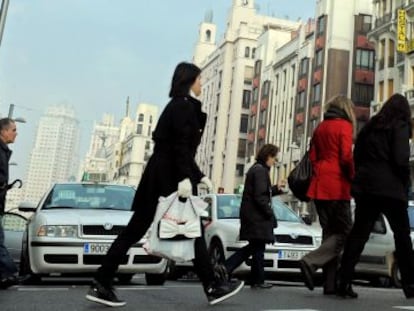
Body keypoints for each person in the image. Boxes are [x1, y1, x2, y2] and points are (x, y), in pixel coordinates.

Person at [86, 62, 244, 307]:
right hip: (167, 178)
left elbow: (178, 148)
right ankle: (212, 285)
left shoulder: (180, 105)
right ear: (190, 81)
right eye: (199, 79)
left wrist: (198, 175)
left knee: (171, 230)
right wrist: (185, 178)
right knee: (187, 230)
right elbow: (179, 147)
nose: (202, 84)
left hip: (162, 176)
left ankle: (102, 281)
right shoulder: (181, 107)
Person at [337, 93, 414, 299]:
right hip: (391, 190)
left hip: (367, 188)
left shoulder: (370, 127)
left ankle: (343, 280)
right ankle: (410, 283)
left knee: (359, 234)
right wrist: (405, 182)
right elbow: (401, 159)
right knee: (402, 236)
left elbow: (357, 156)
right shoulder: (400, 125)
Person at [298, 95, 355, 295]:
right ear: (347, 110)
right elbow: (347, 157)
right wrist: (353, 178)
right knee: (346, 232)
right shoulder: (345, 127)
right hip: (337, 186)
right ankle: (310, 261)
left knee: (329, 233)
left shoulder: (320, 127)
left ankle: (329, 285)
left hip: (319, 186)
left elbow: (312, 157)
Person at [218, 144, 285, 289]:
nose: (275, 161)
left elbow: (261, 192)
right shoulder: (260, 171)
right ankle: (227, 267)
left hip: (253, 217)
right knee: (256, 247)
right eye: (274, 157)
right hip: (257, 218)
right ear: (268, 156)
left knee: (257, 247)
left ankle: (256, 279)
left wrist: (275, 189)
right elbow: (260, 196)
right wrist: (269, 213)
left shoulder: (256, 170)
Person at [0, 118, 19, 289]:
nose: (16, 133)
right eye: (13, 130)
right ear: (3, 131)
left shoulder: (4, 151)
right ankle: (9, 273)